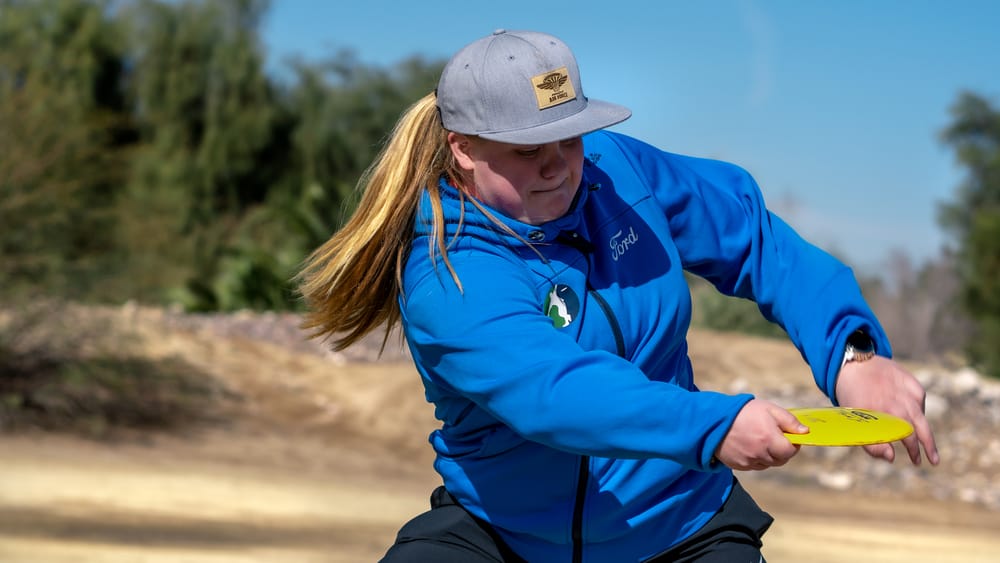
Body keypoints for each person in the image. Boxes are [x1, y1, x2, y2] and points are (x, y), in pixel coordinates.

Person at [297, 29, 939, 562]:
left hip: (681, 527)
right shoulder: (447, 269)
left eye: (569, 137)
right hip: (504, 536)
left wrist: (855, 357)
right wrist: (712, 426)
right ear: (464, 150)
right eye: (526, 149)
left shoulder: (619, 173)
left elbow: (758, 241)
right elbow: (556, 391)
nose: (558, 166)